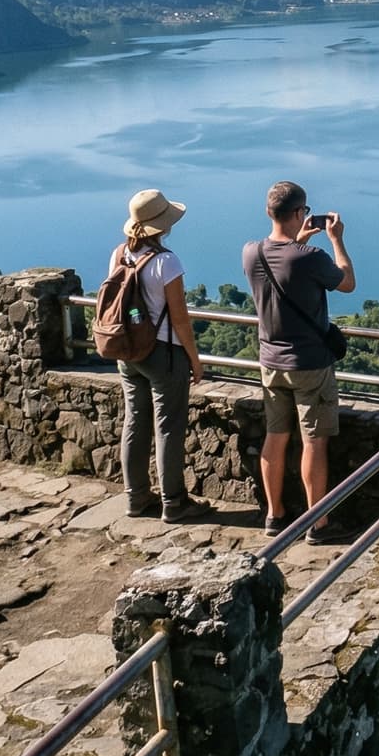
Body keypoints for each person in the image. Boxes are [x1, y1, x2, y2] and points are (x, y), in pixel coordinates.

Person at [245, 179, 355, 543]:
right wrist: (336, 239)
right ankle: (317, 523)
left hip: (269, 362)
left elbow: (282, 265)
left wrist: (298, 239)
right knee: (313, 441)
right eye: (304, 212)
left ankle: (275, 516)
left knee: (276, 436)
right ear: (298, 213)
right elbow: (347, 282)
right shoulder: (311, 258)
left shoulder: (251, 252)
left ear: (268, 212)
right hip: (309, 364)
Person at [108, 188, 210, 523]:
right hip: (163, 354)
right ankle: (174, 503)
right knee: (169, 426)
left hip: (128, 351)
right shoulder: (167, 261)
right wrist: (194, 360)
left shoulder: (120, 253)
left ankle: (136, 498)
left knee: (135, 421)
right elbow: (180, 318)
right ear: (162, 225)